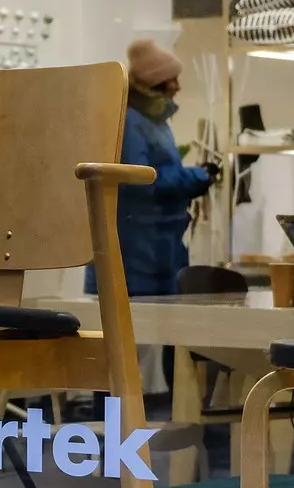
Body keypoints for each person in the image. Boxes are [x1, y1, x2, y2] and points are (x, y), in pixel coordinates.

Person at [88, 38, 216, 297]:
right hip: (136, 256)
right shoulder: (130, 123)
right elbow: (141, 178)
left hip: (158, 251)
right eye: (173, 79)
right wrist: (197, 176)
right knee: (141, 332)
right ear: (155, 83)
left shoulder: (153, 122)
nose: (178, 87)